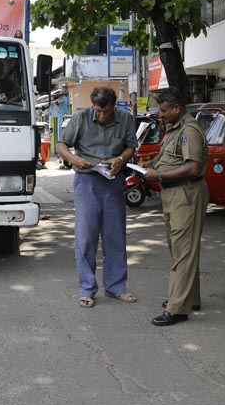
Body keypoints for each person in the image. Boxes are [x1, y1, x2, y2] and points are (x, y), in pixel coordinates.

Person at [56, 87, 137, 308]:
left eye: (107, 111)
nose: (102, 115)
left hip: (113, 181)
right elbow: (61, 144)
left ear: (114, 105)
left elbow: (131, 147)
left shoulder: (125, 119)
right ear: (93, 105)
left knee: (115, 236)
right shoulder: (81, 118)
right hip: (87, 181)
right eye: (98, 111)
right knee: (86, 238)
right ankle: (87, 289)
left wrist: (120, 158)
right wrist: (74, 159)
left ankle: (116, 287)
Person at [141, 87, 209, 327]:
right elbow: (170, 159)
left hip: (186, 192)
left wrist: (157, 173)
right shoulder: (173, 130)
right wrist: (150, 163)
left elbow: (191, 167)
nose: (161, 114)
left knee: (183, 251)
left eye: (164, 110)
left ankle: (178, 307)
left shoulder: (189, 131)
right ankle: (191, 298)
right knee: (181, 249)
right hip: (173, 194)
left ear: (177, 108)